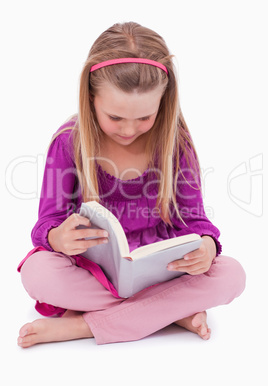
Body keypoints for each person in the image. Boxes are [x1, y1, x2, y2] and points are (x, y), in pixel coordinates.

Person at [17, 22, 246, 348]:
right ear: (91, 98)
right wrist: (58, 236)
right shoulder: (69, 142)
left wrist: (207, 247)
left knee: (232, 275)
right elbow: (46, 224)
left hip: (163, 269)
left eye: (143, 118)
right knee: (37, 272)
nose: (129, 130)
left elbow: (196, 221)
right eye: (115, 117)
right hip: (95, 269)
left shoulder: (174, 144)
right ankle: (170, 311)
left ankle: (84, 325)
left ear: (162, 104)